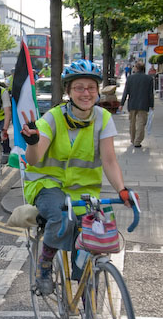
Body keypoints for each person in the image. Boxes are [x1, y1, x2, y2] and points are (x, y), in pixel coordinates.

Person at [20, 59, 136, 295]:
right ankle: (44, 265)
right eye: (79, 88)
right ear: (68, 91)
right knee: (62, 218)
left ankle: (86, 303)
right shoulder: (53, 118)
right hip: (47, 184)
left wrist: (122, 190)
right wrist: (32, 142)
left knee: (94, 238)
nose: (86, 93)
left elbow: (110, 160)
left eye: (91, 87)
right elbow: (34, 158)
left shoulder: (103, 118)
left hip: (84, 190)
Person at [118, 61, 154, 147]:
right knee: (141, 123)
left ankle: (132, 139)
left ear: (136, 68)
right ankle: (138, 141)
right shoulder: (148, 78)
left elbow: (126, 92)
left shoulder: (130, 78)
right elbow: (150, 93)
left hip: (132, 103)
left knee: (132, 123)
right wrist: (151, 105)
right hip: (144, 104)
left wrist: (121, 104)